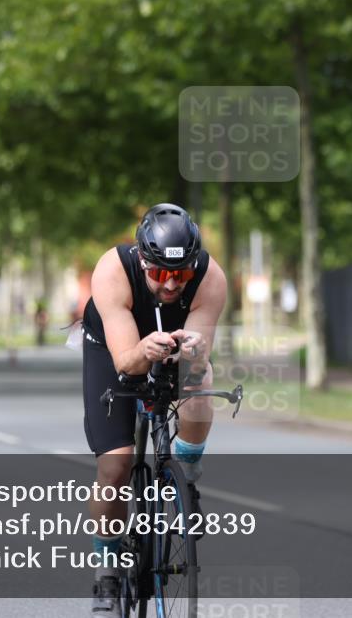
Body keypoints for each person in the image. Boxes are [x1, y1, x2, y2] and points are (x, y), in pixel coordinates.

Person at [81, 203, 227, 616]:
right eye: (161, 273)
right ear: (143, 261)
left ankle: (189, 477)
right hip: (114, 349)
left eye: (179, 275)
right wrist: (144, 350)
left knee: (201, 381)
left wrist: (193, 354)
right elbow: (127, 361)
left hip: (171, 345)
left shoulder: (210, 278)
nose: (170, 285)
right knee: (116, 467)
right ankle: (107, 568)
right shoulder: (112, 271)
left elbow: (198, 359)